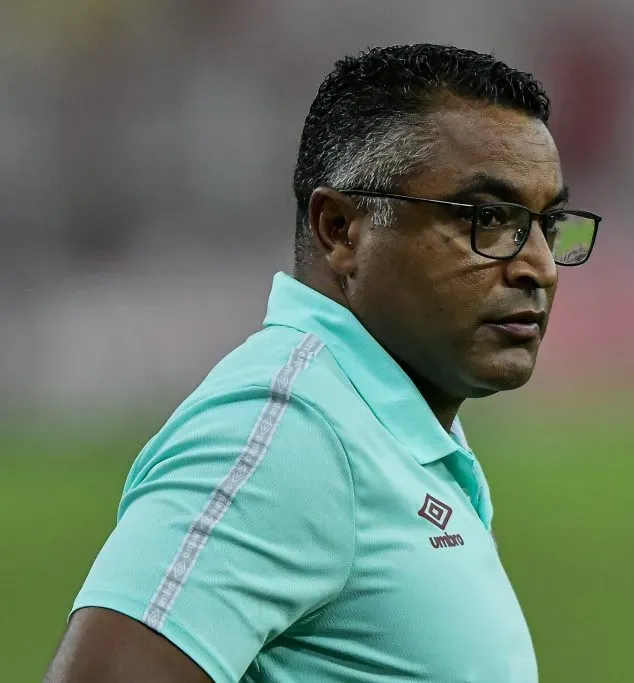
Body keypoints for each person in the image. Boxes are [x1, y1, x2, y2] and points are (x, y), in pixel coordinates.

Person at [44, 44, 601, 683]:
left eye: (547, 225)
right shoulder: (292, 427)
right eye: (488, 219)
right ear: (340, 229)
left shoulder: (384, 416)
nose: (540, 267)